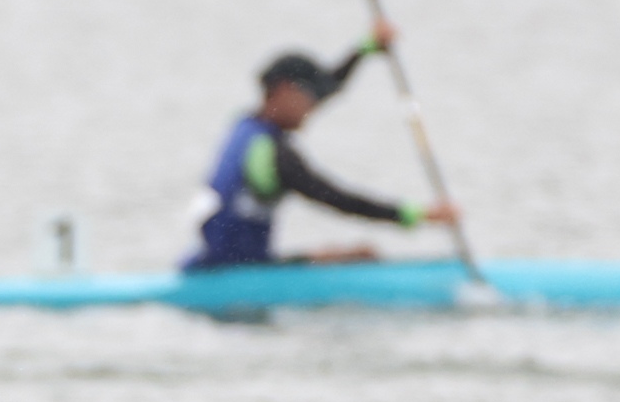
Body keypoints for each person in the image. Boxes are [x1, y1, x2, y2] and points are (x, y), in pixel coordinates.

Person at [184, 19, 458, 270]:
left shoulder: (246, 128)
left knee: (353, 255)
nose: (312, 108)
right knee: (359, 257)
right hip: (242, 273)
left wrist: (366, 48)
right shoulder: (274, 154)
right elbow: (335, 198)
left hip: (213, 264)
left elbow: (328, 87)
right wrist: (413, 215)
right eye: (309, 97)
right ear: (284, 91)